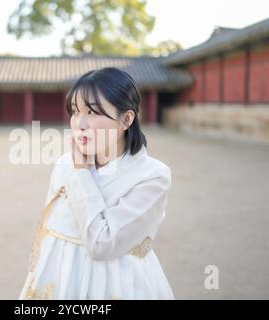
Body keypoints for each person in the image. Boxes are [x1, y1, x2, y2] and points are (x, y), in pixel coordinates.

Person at [19, 67, 174, 300]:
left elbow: (102, 244)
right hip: (61, 278)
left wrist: (81, 173)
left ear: (126, 119)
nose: (79, 123)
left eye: (92, 112)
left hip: (117, 284)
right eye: (75, 111)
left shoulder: (153, 176)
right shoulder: (65, 162)